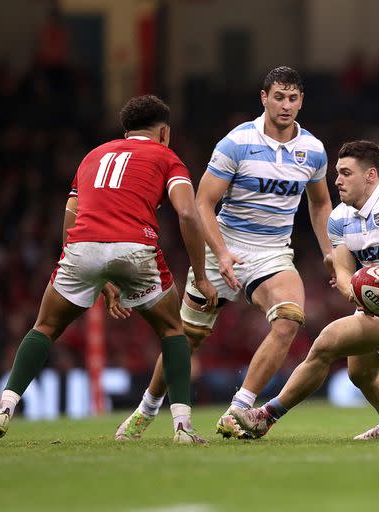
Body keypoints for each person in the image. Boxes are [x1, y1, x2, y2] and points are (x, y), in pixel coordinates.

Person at [0, 94, 215, 445]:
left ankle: (3, 409)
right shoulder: (167, 157)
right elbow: (188, 214)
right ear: (164, 132)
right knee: (173, 330)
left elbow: (70, 213)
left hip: (82, 245)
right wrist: (202, 276)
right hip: (136, 246)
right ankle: (182, 427)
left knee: (45, 326)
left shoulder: (93, 156)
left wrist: (93, 272)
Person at [114, 66, 334, 440]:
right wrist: (221, 253)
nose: (285, 105)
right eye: (278, 97)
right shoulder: (236, 142)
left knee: (290, 318)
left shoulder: (312, 150)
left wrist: (329, 250)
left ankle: (238, 409)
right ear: (264, 98)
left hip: (272, 254)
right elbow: (203, 204)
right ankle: (146, 408)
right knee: (186, 339)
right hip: (225, 245)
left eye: (293, 98)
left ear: (301, 101)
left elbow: (320, 203)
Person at [224, 140, 379, 440]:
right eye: (336, 173)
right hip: (373, 307)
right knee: (361, 374)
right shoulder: (340, 218)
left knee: (327, 341)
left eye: (346, 173)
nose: (337, 180)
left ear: (370, 175)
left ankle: (264, 416)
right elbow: (343, 271)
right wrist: (354, 291)